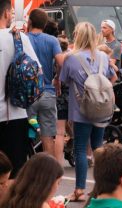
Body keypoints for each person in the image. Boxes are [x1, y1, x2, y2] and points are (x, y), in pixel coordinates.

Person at [60, 22, 117, 202]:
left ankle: (79, 190)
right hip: (101, 107)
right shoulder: (102, 56)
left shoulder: (71, 58)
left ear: (77, 36)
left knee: (80, 149)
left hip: (81, 111)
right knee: (98, 147)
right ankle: (102, 188)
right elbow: (112, 77)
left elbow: (63, 80)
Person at [0, 0, 40, 177]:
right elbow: (37, 71)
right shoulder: (18, 39)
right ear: (7, 13)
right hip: (13, 114)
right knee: (15, 174)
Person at [25, 9, 63, 157]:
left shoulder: (22, 38)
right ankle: (51, 177)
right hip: (47, 91)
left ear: (30, 22)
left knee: (24, 134)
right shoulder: (52, 40)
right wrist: (57, 78)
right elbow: (61, 62)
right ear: (45, 23)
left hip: (27, 94)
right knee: (48, 137)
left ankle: (26, 173)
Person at [54, 35, 70, 164]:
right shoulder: (71, 58)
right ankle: (86, 155)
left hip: (59, 97)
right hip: (73, 96)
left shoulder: (54, 59)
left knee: (59, 132)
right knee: (78, 128)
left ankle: (58, 162)